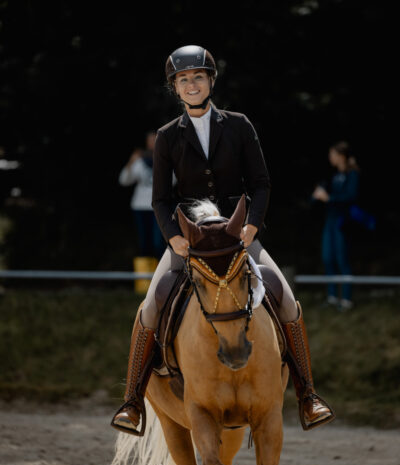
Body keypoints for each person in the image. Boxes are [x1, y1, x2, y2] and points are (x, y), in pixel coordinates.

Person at [111, 45, 335, 435]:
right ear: (175, 88)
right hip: (191, 237)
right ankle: (132, 401)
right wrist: (174, 237)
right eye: (183, 79)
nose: (192, 84)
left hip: (237, 236)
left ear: (211, 81)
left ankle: (308, 395)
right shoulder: (166, 137)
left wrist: (251, 227)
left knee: (284, 296)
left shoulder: (239, 125)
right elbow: (161, 199)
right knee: (151, 305)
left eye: (198, 76)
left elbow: (261, 184)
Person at [312, 141, 360, 311]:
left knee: (342, 259)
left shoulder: (352, 174)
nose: (330, 158)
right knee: (327, 258)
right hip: (330, 221)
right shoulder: (333, 175)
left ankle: (346, 299)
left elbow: (350, 197)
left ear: (341, 156)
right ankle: (332, 297)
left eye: (332, 154)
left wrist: (329, 198)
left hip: (342, 222)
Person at [118, 131, 164, 259]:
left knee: (158, 244)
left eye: (154, 140)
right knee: (144, 245)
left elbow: (173, 181)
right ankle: (145, 278)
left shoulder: (165, 159)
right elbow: (123, 180)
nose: (152, 143)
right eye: (150, 140)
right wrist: (131, 162)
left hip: (158, 207)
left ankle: (160, 276)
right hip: (140, 207)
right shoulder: (140, 160)